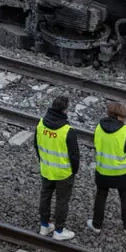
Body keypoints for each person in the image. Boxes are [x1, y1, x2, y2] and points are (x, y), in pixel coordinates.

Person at [34, 95, 79, 241]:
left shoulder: (41, 124)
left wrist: (43, 161)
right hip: (63, 173)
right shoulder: (67, 131)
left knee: (45, 196)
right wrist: (74, 171)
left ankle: (44, 225)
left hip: (46, 169)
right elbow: (74, 156)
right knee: (62, 201)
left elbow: (36, 146)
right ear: (64, 111)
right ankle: (59, 230)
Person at [90, 102, 126, 232]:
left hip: (103, 170)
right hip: (123, 172)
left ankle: (96, 225)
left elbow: (96, 143)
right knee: (125, 196)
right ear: (121, 116)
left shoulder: (99, 127)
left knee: (101, 195)